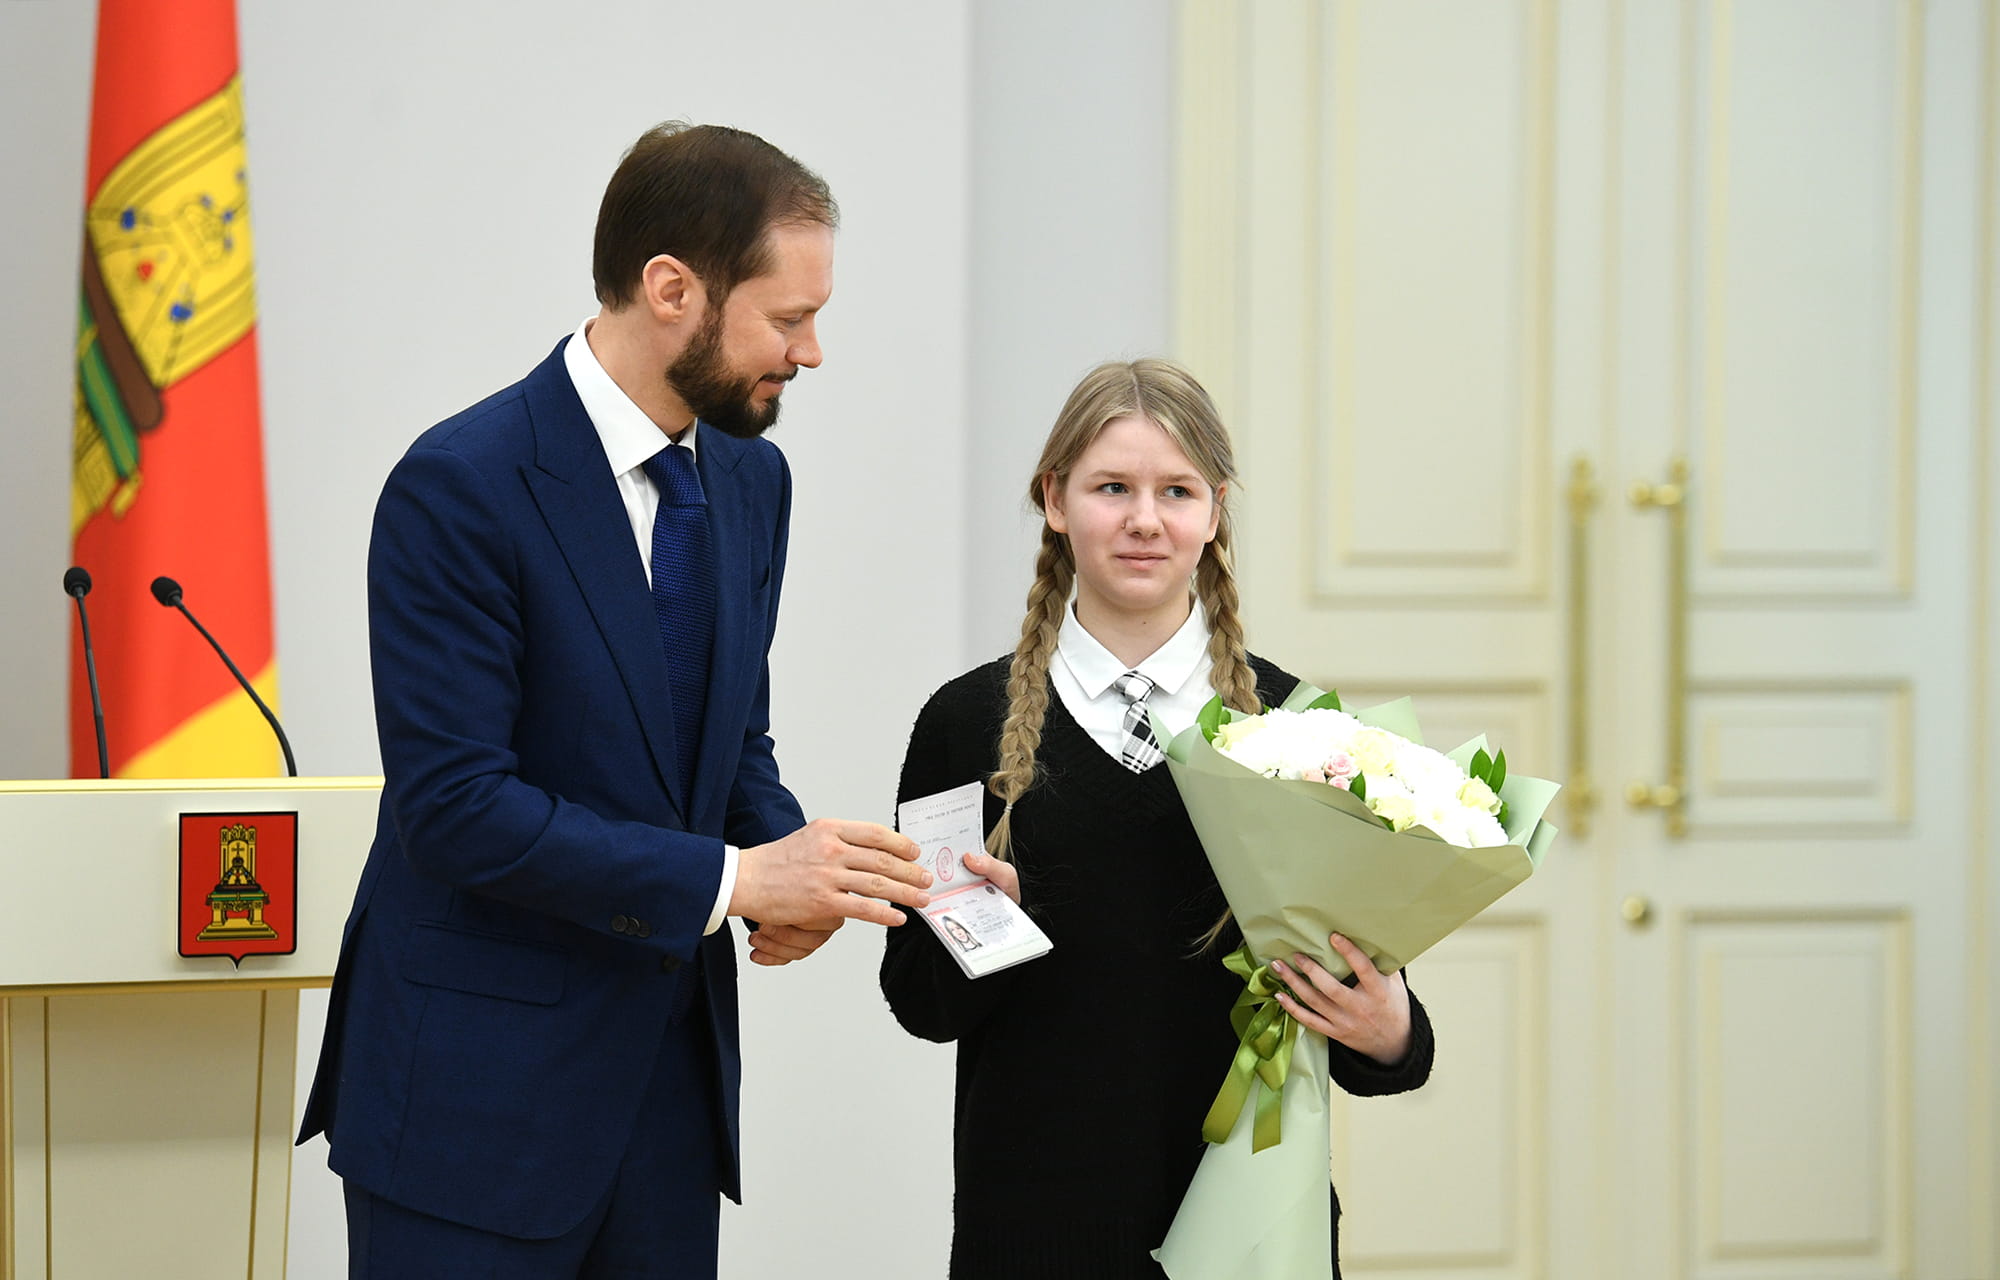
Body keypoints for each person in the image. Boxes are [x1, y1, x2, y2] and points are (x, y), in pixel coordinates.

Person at [299, 122, 933, 1279]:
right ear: (671, 289)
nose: (811, 351)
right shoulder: (461, 484)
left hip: (665, 1105)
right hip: (469, 1109)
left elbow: (726, 741)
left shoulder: (751, 476)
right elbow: (457, 807)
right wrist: (735, 880)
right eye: (788, 318)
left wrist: (807, 863)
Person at [880, 359, 1435, 1279]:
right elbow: (920, 1005)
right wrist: (981, 935)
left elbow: (1379, 1025)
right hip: (1034, 1231)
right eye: (1112, 488)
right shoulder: (961, 723)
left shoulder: (1301, 727)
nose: (1145, 519)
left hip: (1252, 1233)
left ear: (1214, 511)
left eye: (1176, 490)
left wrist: (1391, 1029)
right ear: (1055, 500)